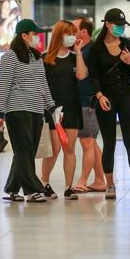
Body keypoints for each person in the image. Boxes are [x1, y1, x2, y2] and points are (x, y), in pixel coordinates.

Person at [88, 8, 130, 200]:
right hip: (105, 99)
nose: (121, 29)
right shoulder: (96, 48)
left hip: (126, 98)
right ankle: (110, 185)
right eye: (118, 25)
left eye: (123, 26)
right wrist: (99, 96)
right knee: (109, 142)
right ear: (108, 24)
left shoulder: (128, 46)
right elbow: (94, 76)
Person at [0, 19, 59, 204]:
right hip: (16, 111)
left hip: (36, 110)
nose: (36, 38)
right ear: (24, 36)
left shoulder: (36, 57)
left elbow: (43, 84)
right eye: (33, 34)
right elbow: (4, 86)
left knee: (27, 151)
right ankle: (32, 190)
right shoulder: (9, 57)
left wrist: (51, 105)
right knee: (24, 149)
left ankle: (11, 189)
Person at [40, 21, 88, 201]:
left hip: (72, 108)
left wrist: (78, 52)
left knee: (70, 148)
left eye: (73, 33)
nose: (72, 36)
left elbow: (81, 75)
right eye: (68, 33)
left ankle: (69, 187)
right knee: (55, 149)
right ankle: (44, 182)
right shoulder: (45, 58)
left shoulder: (74, 57)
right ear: (59, 35)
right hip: (52, 110)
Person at [72, 17, 106, 194]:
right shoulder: (80, 49)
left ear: (83, 32)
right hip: (81, 102)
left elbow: (89, 76)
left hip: (89, 102)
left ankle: (83, 180)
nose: (70, 30)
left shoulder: (91, 51)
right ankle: (100, 180)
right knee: (91, 143)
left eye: (74, 27)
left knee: (87, 141)